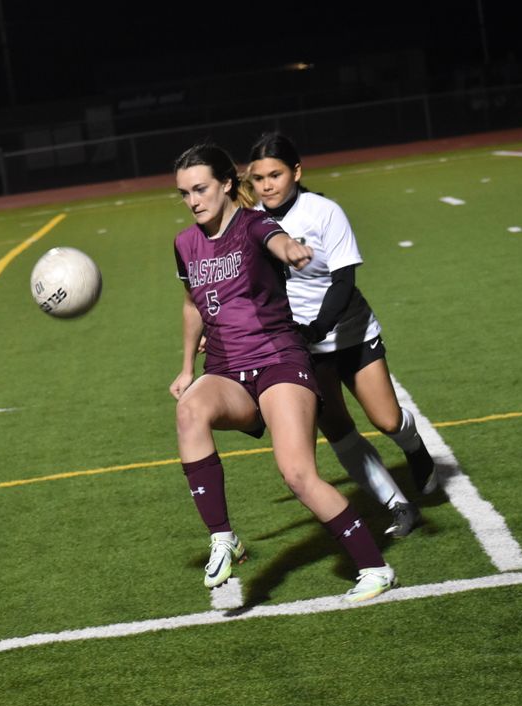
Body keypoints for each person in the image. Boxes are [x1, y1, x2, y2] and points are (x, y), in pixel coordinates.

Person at [170, 142, 395, 603]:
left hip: (279, 361)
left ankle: (374, 567)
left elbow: (275, 239)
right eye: (184, 193)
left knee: (297, 474)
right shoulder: (184, 243)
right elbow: (193, 302)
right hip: (227, 369)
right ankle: (223, 537)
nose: (193, 201)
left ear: (227, 183)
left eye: (200, 189)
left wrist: (291, 250)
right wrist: (187, 366)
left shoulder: (255, 224)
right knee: (190, 411)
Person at [245, 132, 438, 538]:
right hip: (300, 346)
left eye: (275, 175)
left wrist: (317, 328)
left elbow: (343, 281)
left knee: (386, 419)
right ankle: (398, 506)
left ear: (296, 172)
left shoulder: (324, 212)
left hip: (348, 331)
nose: (266, 185)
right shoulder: (251, 224)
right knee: (337, 429)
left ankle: (414, 448)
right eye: (258, 178)